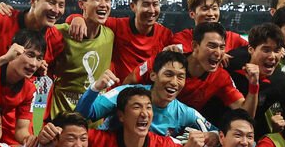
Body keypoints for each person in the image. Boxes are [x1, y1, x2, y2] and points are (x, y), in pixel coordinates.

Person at [125, 22, 257, 125]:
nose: (218, 52)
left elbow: (244, 113)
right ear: (194, 45)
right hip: (142, 121)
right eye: (212, 46)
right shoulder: (164, 61)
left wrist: (254, 85)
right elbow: (128, 82)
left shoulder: (221, 77)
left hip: (178, 132)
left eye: (222, 47)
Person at [77, 52, 215, 139]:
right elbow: (81, 114)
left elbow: (216, 133)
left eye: (180, 77)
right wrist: (95, 88)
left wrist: (212, 137)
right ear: (153, 75)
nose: (174, 82)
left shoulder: (184, 113)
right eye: (168, 74)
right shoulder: (125, 94)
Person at [68, 0, 173, 80]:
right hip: (117, 94)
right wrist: (76, 18)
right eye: (146, 4)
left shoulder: (165, 35)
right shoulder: (117, 26)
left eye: (155, 4)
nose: (152, 10)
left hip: (148, 95)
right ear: (133, 6)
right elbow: (91, 19)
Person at [44, 0, 115, 119]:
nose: (104, 4)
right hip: (62, 122)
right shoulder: (59, 33)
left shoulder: (111, 35)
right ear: (82, 4)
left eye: (107, 0)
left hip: (95, 125)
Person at [219, 23, 285, 138]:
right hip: (214, 129)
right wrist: (217, 56)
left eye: (277, 50)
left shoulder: (281, 81)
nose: (272, 56)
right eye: (266, 50)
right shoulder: (230, 61)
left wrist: (281, 127)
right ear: (251, 49)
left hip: (251, 136)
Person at [169, 0, 248, 53]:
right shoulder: (181, 39)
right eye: (205, 9)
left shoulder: (233, 39)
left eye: (214, 8)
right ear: (192, 14)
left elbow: (254, 53)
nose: (211, 13)